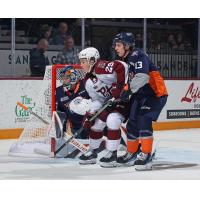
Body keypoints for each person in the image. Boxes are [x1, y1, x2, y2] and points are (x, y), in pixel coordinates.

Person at [113, 32, 168, 170]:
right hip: (141, 95)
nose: (115, 48)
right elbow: (132, 79)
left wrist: (128, 90)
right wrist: (123, 92)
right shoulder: (128, 59)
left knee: (143, 120)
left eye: (118, 45)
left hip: (155, 95)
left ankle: (146, 155)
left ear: (127, 45)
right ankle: (131, 153)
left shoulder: (138, 55)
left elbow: (142, 77)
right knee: (132, 123)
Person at [78, 47, 130, 168]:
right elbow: (98, 100)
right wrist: (91, 113)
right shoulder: (88, 81)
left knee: (112, 120)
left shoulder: (101, 66)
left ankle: (112, 153)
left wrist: (119, 89)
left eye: (83, 61)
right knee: (96, 124)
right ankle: (93, 151)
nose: (81, 64)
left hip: (126, 100)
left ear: (92, 60)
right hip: (111, 103)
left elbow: (122, 66)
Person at [56, 65, 90, 139]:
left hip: (92, 124)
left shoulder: (86, 85)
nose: (63, 81)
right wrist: (60, 133)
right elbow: (61, 114)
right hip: (77, 129)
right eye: (63, 78)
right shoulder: (59, 92)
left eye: (66, 78)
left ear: (73, 78)